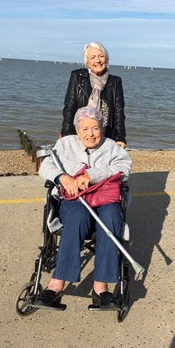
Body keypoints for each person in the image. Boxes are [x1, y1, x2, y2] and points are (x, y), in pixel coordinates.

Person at [36, 107, 132, 309]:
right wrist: (63, 177)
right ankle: (57, 283)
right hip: (75, 200)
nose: (91, 134)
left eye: (95, 128)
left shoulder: (112, 147)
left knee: (112, 216)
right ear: (77, 130)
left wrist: (92, 175)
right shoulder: (65, 144)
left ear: (101, 128)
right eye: (85, 128)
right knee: (77, 216)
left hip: (104, 199)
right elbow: (45, 166)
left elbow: (124, 168)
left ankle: (101, 287)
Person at [60, 42, 127, 148]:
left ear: (107, 59)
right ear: (87, 61)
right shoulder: (77, 77)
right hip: (80, 133)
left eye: (101, 56)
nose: (98, 61)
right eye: (93, 57)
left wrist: (120, 138)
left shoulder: (115, 82)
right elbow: (69, 108)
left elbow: (119, 113)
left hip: (105, 135)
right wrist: (66, 134)